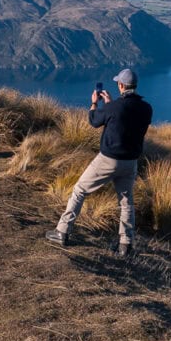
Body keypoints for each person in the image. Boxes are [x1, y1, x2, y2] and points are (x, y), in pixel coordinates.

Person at [45, 69, 152, 257]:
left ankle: (62, 231)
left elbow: (94, 121)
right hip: (130, 162)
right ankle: (125, 245)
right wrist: (110, 105)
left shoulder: (114, 107)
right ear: (135, 86)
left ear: (120, 85)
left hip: (108, 160)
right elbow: (125, 121)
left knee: (79, 190)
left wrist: (95, 104)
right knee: (126, 202)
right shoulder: (146, 108)